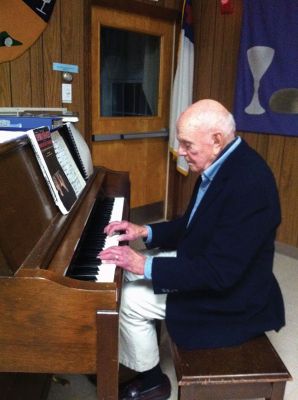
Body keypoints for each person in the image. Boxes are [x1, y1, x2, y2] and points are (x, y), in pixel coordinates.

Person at [99, 99, 285, 400]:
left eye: (186, 145)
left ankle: (152, 381)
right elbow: (191, 225)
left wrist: (143, 264)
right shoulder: (223, 162)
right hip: (214, 268)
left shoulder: (249, 184)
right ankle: (126, 356)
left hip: (236, 299)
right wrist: (145, 231)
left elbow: (218, 274)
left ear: (216, 140)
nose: (181, 154)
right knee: (128, 273)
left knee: (131, 298)